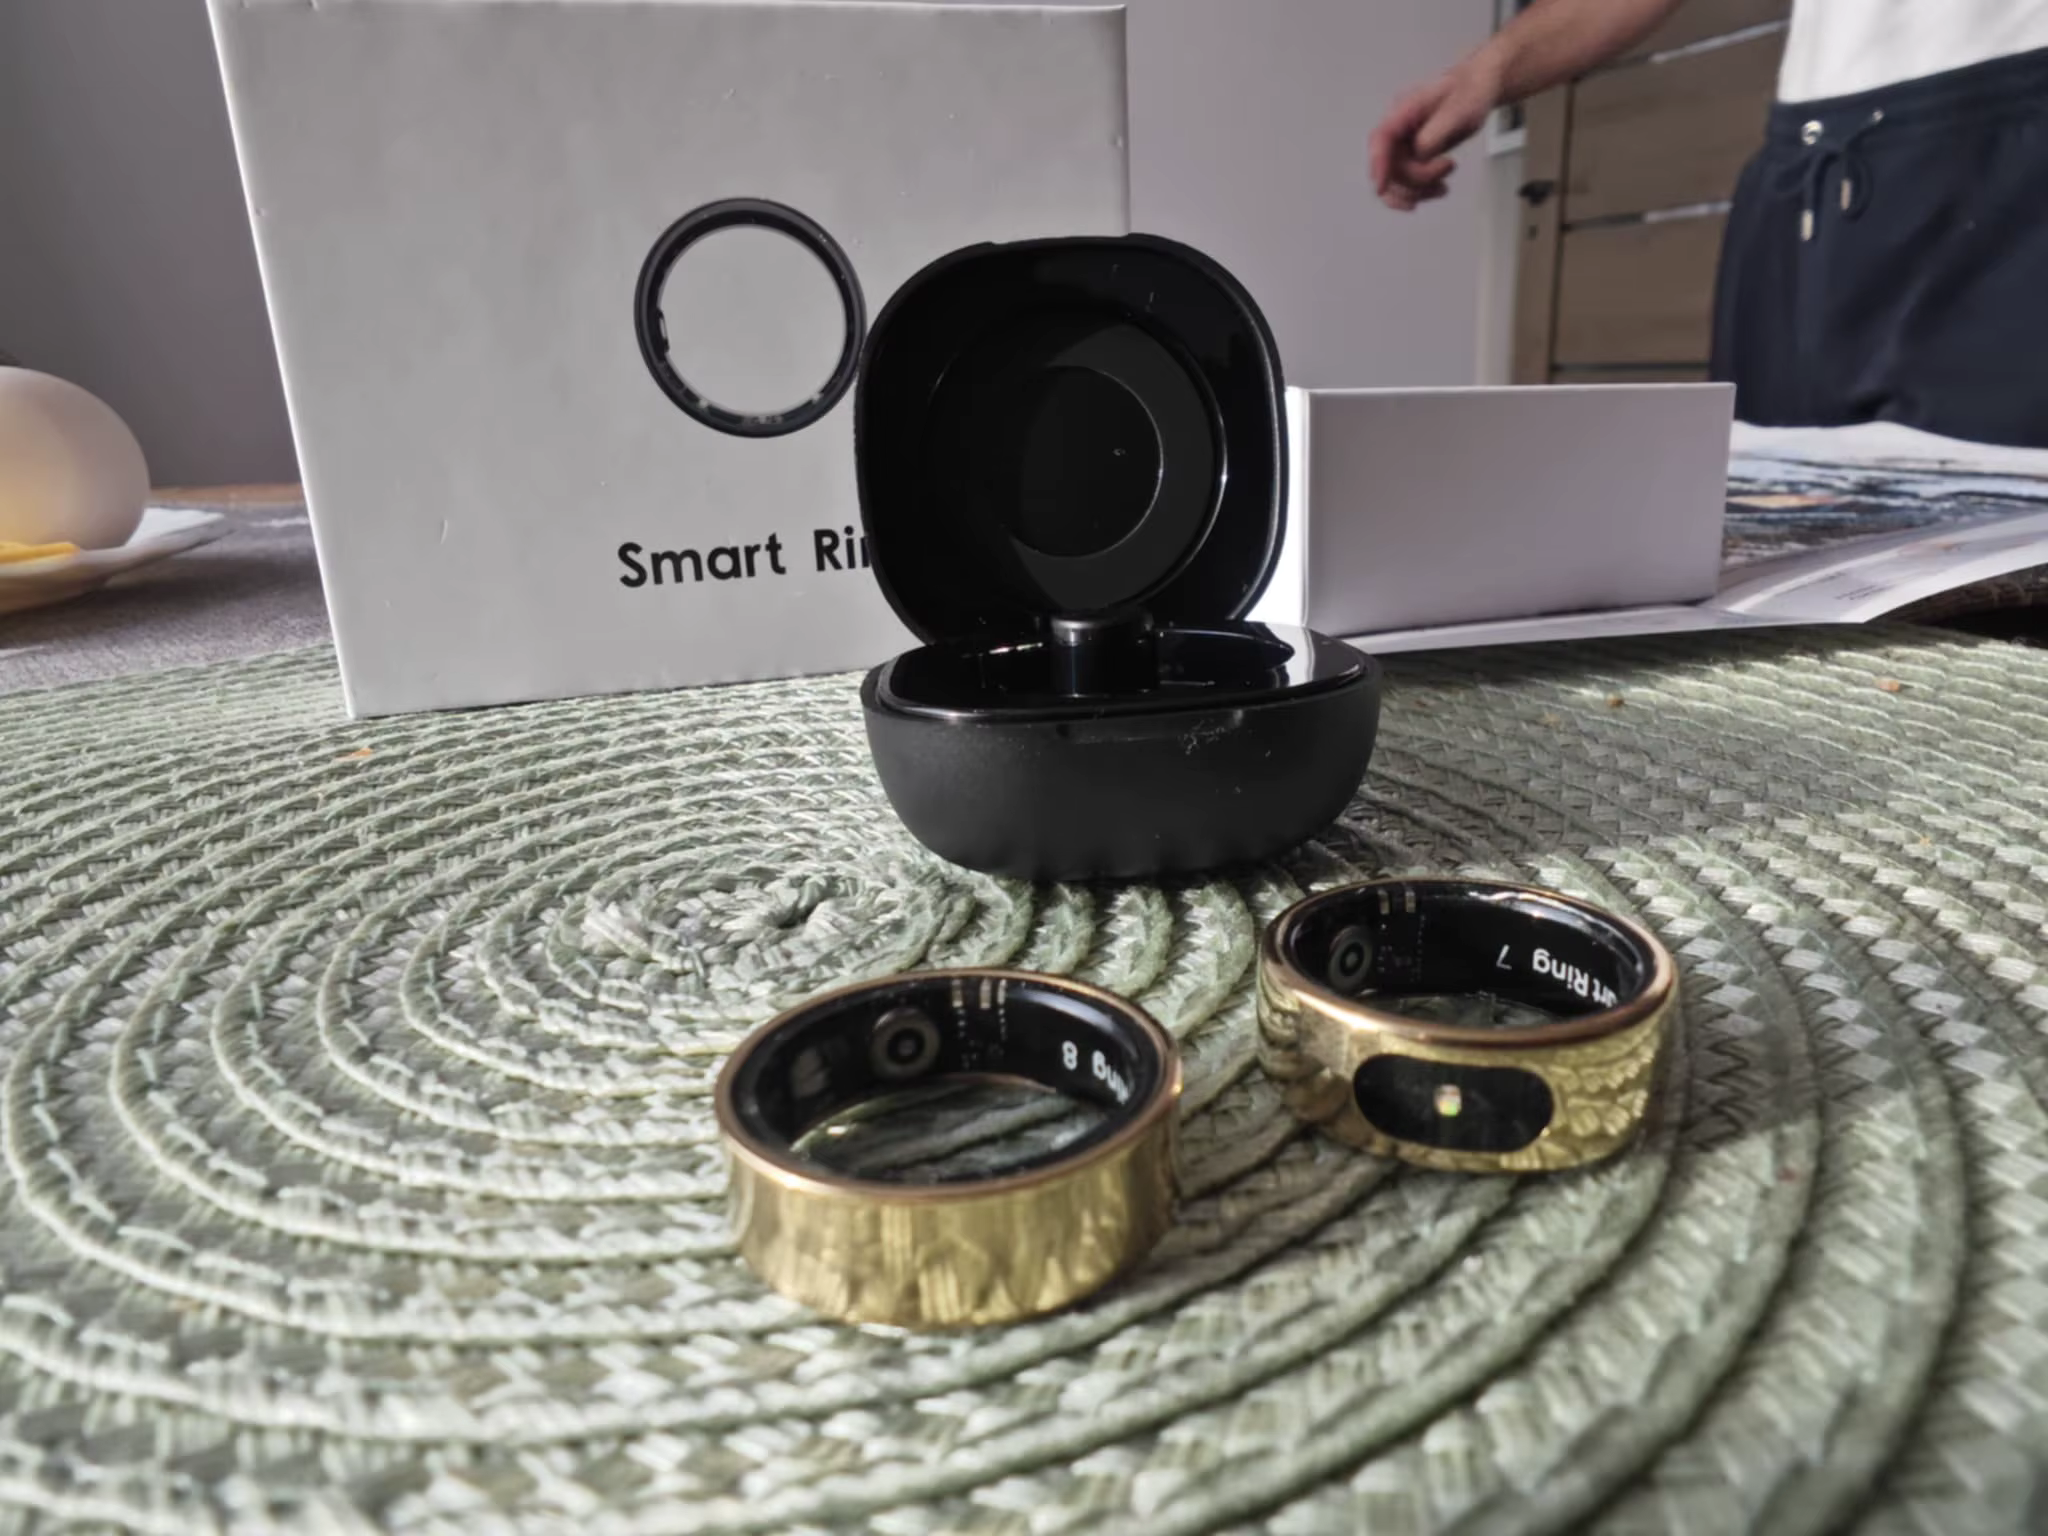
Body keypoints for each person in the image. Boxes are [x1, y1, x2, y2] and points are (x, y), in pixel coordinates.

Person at [1370, 0, 2048, 449]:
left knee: (1989, 568)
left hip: (2008, 146)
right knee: (1781, 552)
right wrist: (1489, 70)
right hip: (1800, 166)